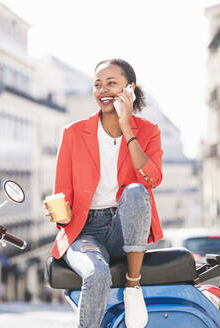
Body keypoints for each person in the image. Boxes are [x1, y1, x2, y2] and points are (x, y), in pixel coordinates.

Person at [45, 58, 164, 328]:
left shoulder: (148, 131)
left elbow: (152, 178)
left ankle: (133, 286)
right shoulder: (73, 133)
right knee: (96, 274)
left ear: (129, 89)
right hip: (85, 231)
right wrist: (60, 214)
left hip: (125, 230)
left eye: (112, 83)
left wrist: (127, 127)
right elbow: (61, 194)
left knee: (136, 191)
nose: (103, 90)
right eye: (97, 84)